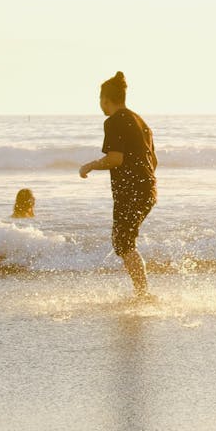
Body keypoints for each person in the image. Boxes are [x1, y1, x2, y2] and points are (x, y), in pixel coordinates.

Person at [79, 72, 157, 297]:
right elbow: (154, 161)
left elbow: (115, 159)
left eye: (100, 100)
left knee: (123, 242)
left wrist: (91, 165)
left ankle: (143, 293)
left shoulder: (113, 121)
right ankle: (142, 292)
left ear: (105, 99)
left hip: (131, 191)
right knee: (124, 241)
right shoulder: (141, 121)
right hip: (148, 189)